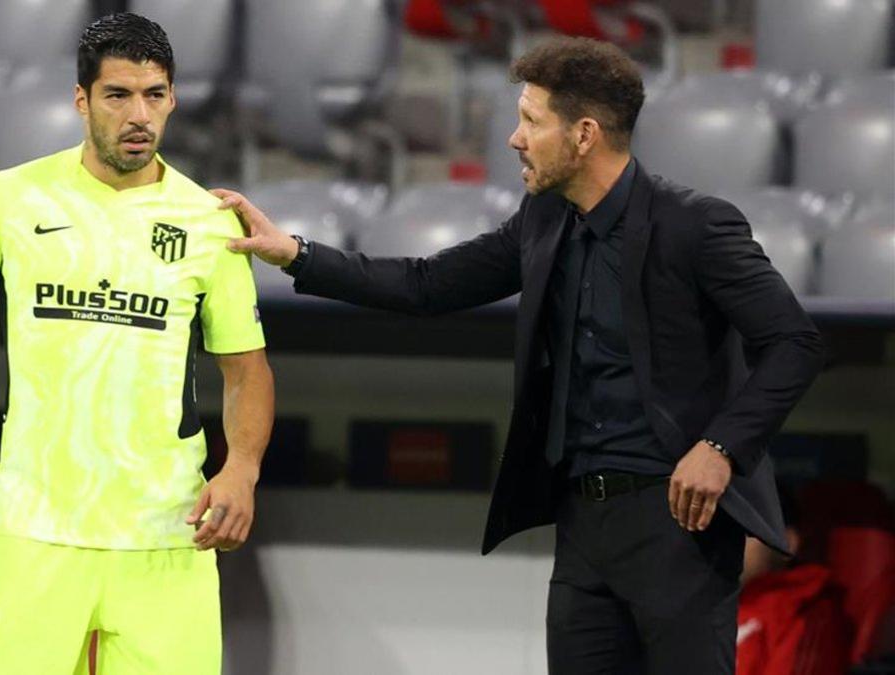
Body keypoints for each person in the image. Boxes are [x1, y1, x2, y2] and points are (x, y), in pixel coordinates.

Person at [216, 37, 824, 674]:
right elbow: (429, 285)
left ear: (584, 134)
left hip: (679, 523)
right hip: (583, 524)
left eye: (532, 121)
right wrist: (296, 253)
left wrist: (721, 446)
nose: (514, 138)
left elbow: (794, 342)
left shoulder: (695, 224)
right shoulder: (543, 219)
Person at [0, 13, 274, 675]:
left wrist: (242, 468)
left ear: (174, 100)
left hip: (165, 540)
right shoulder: (9, 200)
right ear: (81, 100)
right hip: (35, 534)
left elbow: (246, 366)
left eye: (154, 95)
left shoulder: (210, 223)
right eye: (117, 95)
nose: (138, 114)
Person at [737, 486, 852, 675]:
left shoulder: (810, 612)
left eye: (745, 532)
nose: (727, 546)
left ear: (787, 543)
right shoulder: (704, 605)